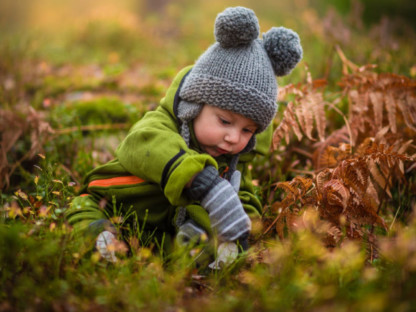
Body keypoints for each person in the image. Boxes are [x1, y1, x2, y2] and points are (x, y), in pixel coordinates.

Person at [66, 6, 302, 265]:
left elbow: (243, 195)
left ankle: (192, 254)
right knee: (85, 210)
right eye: (225, 121)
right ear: (194, 106)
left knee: (205, 242)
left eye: (248, 130)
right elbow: (141, 143)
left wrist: (241, 228)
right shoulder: (162, 124)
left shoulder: (234, 159)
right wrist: (201, 179)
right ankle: (101, 237)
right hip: (113, 203)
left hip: (160, 232)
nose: (234, 138)